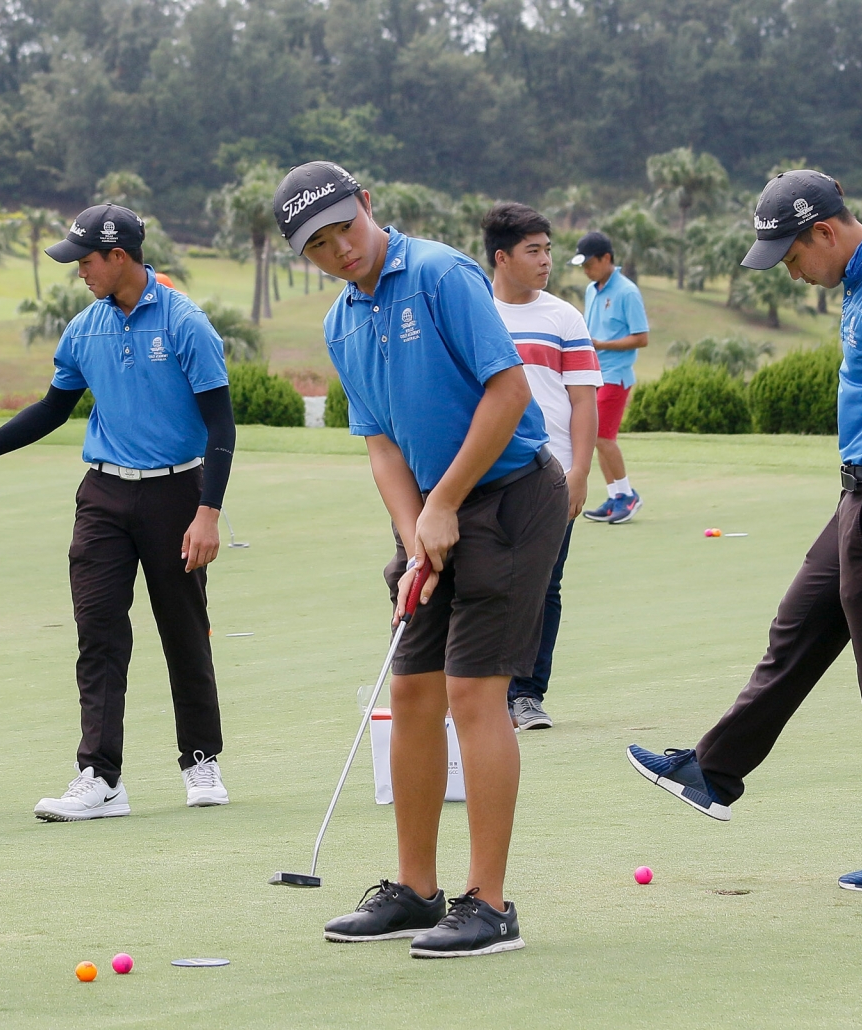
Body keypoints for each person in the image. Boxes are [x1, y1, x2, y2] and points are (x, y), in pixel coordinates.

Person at [627, 170, 862, 893]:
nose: (792, 273)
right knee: (797, 628)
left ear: (824, 231)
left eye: (791, 258)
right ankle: (713, 771)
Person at [276, 162, 567, 959]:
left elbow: (508, 395)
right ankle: (416, 889)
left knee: (475, 693)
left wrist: (444, 506)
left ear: (368, 206)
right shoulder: (342, 321)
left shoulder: (440, 274)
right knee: (411, 693)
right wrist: (414, 536)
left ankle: (489, 904)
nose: (339, 249)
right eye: (319, 245)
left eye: (345, 228)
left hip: (508, 496)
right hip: (432, 510)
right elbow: (380, 442)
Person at [0, 203, 236, 820]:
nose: (79, 273)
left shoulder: (186, 324)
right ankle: (100, 776)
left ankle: (201, 760)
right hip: (103, 496)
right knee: (98, 633)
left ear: (119, 256)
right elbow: (53, 408)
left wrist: (208, 512)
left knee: (183, 630)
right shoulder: (84, 327)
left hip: (177, 493)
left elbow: (220, 423)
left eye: (86, 261)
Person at [484, 203, 601, 731]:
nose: (546, 261)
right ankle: (482, 693)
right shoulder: (476, 315)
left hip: (551, 475)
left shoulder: (564, 317)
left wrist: (579, 472)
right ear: (502, 257)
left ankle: (526, 694)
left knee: (544, 585)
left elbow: (583, 402)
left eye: (548, 250)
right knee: (484, 584)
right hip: (483, 474)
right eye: (534, 251)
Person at [570, 231, 648, 523]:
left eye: (589, 263)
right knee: (597, 437)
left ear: (607, 259)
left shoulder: (627, 291)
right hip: (594, 373)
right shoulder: (593, 289)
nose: (586, 270)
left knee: (603, 436)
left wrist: (601, 345)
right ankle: (616, 495)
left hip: (616, 374)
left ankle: (627, 496)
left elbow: (641, 338)